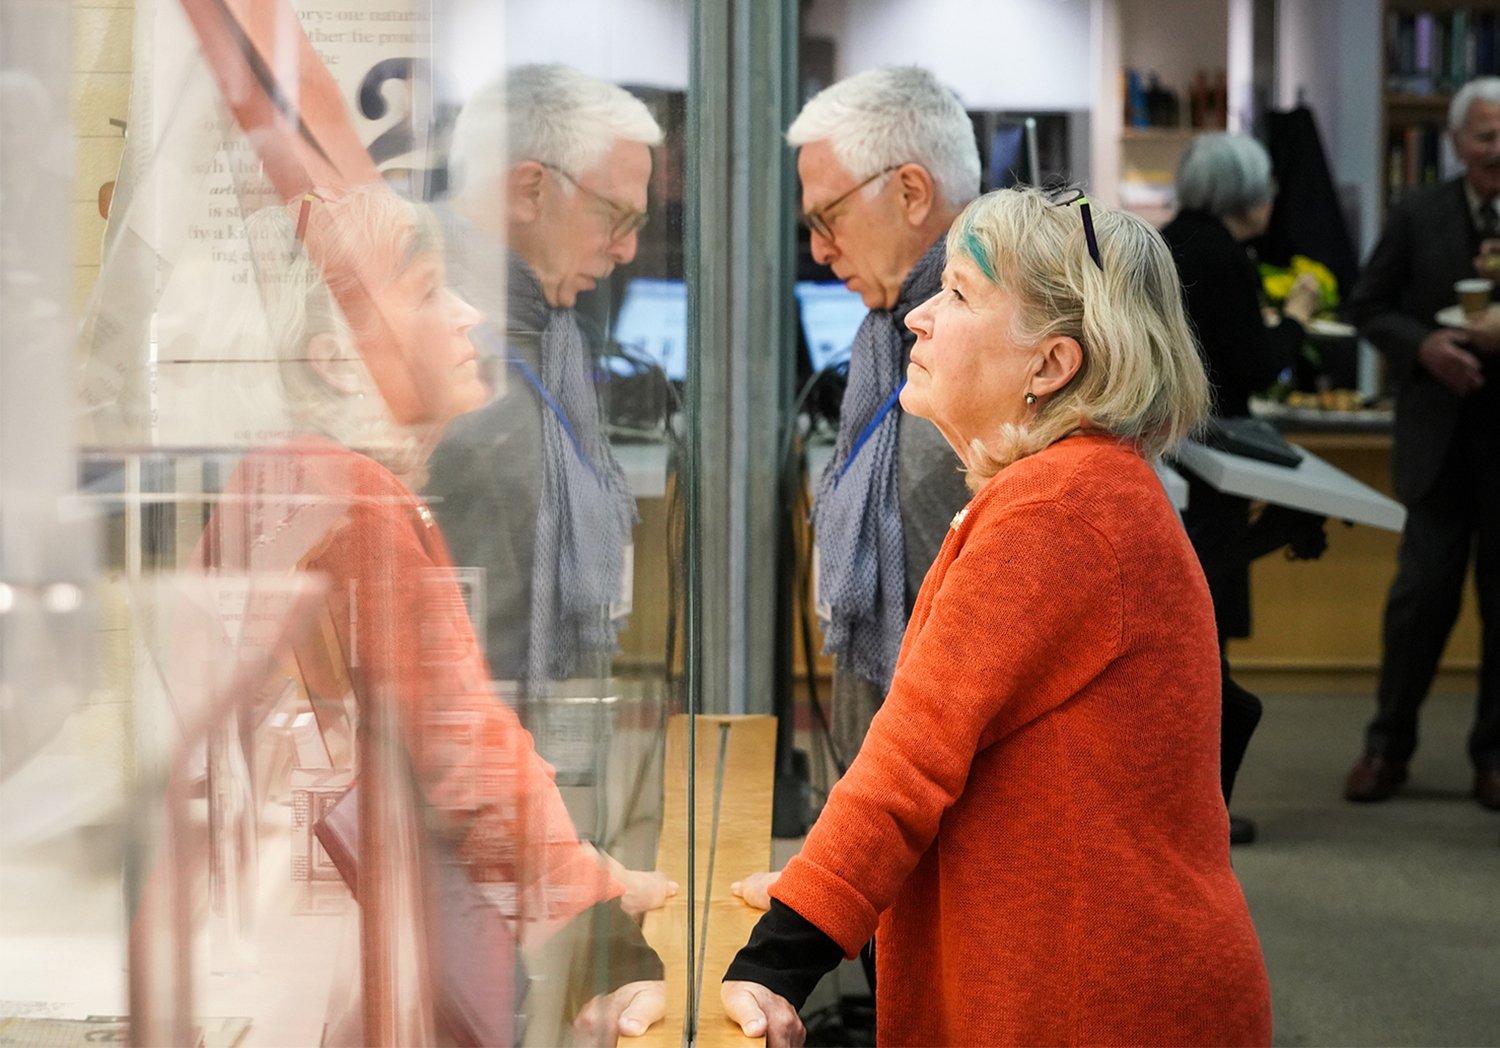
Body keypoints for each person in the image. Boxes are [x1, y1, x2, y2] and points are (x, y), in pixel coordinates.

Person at [721, 187, 1271, 1048]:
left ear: (1050, 366)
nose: (919, 319)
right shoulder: (1075, 490)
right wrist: (823, 889)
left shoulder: (1057, 514)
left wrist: (776, 960)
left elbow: (911, 759)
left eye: (961, 296)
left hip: (1093, 1004)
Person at [204, 187, 668, 1044]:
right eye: (426, 293)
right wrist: (606, 942)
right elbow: (463, 763)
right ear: (337, 360)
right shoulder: (360, 508)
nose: (466, 318)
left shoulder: (285, 478)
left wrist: (579, 871)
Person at [425, 64, 661, 691]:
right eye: (618, 217)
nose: (626, 250)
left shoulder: (545, 328)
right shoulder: (413, 317)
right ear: (529, 190)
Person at [791, 65, 978, 768]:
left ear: (910, 192)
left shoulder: (994, 359)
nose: (818, 248)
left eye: (826, 217)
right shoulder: (889, 337)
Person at [1160, 132, 1323, 843]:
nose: (1272, 198)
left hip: (1172, 455)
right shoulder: (1225, 258)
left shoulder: (1165, 240)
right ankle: (1203, 813)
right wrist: (1297, 320)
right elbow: (1251, 369)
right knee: (1207, 647)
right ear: (1241, 194)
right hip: (1213, 464)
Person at [1343, 77, 1500, 808]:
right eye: (1486, 136)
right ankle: (1386, 747)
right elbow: (1367, 305)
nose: (1497, 151)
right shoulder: (1418, 212)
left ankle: (1493, 759)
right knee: (1420, 602)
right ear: (1458, 143)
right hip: (1437, 444)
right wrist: (1426, 346)